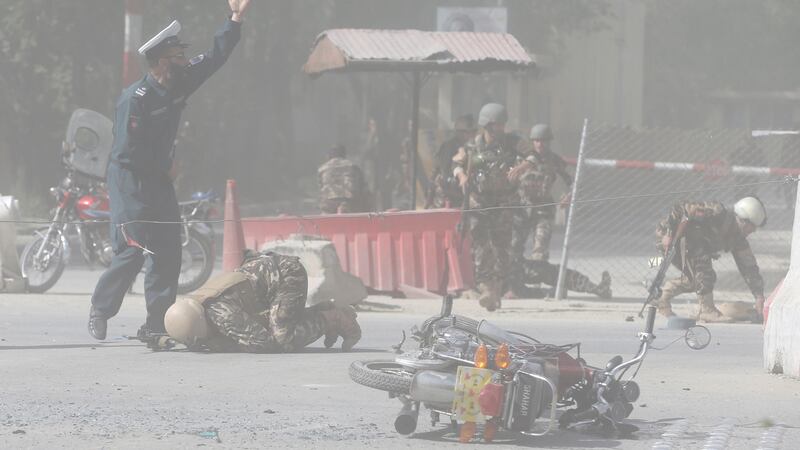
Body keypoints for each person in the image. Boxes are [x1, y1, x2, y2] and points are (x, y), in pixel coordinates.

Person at [88, 0, 250, 340]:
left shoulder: (179, 81)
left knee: (167, 250)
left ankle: (155, 325)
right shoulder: (136, 99)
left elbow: (215, 57)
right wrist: (166, 166)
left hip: (159, 180)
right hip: (129, 180)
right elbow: (126, 152)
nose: (185, 61)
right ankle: (101, 309)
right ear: (164, 61)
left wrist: (234, 19)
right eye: (179, 56)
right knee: (134, 249)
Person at [164, 251, 362, 352]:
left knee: (282, 339)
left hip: (285, 276)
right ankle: (325, 310)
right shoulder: (198, 303)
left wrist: (218, 344)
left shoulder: (220, 313)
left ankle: (334, 318)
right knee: (277, 322)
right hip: (270, 276)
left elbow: (262, 342)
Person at [452, 103, 528, 311]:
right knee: (481, 246)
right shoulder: (472, 146)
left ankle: (497, 288)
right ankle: (486, 287)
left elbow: (533, 156)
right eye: (497, 125)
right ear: (486, 125)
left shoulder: (512, 143)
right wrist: (461, 175)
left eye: (503, 124)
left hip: (503, 204)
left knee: (502, 247)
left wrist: (521, 167)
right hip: (479, 204)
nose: (501, 129)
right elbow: (456, 163)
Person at [653, 196, 767, 323]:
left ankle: (662, 298)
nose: (754, 230)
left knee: (694, 281)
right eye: (753, 226)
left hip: (690, 246)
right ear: (743, 221)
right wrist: (668, 233)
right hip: (670, 238)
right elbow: (680, 208)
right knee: (703, 268)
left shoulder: (738, 238)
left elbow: (749, 267)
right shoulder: (715, 212)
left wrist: (759, 296)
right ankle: (707, 311)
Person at [507, 124, 572, 297]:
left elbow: (572, 181)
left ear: (549, 142)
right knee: (514, 248)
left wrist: (569, 196)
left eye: (543, 141)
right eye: (536, 141)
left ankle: (538, 286)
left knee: (540, 251)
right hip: (521, 209)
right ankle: (515, 286)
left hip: (543, 211)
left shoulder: (555, 160)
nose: (539, 144)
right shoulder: (521, 160)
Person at [425, 114, 474, 209]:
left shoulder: (473, 146)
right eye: (465, 132)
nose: (469, 135)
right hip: (446, 197)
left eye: (472, 132)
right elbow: (445, 174)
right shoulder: (448, 147)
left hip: (464, 196)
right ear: (458, 132)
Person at [521, 259, 611, 299]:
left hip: (513, 263)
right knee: (515, 290)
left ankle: (596, 289)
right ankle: (549, 292)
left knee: (541, 270)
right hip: (509, 276)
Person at [318, 145, 369, 214]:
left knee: (325, 220)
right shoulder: (353, 166)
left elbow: (321, 187)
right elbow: (362, 187)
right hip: (349, 201)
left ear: (329, 155)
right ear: (344, 155)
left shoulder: (322, 169)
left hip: (328, 202)